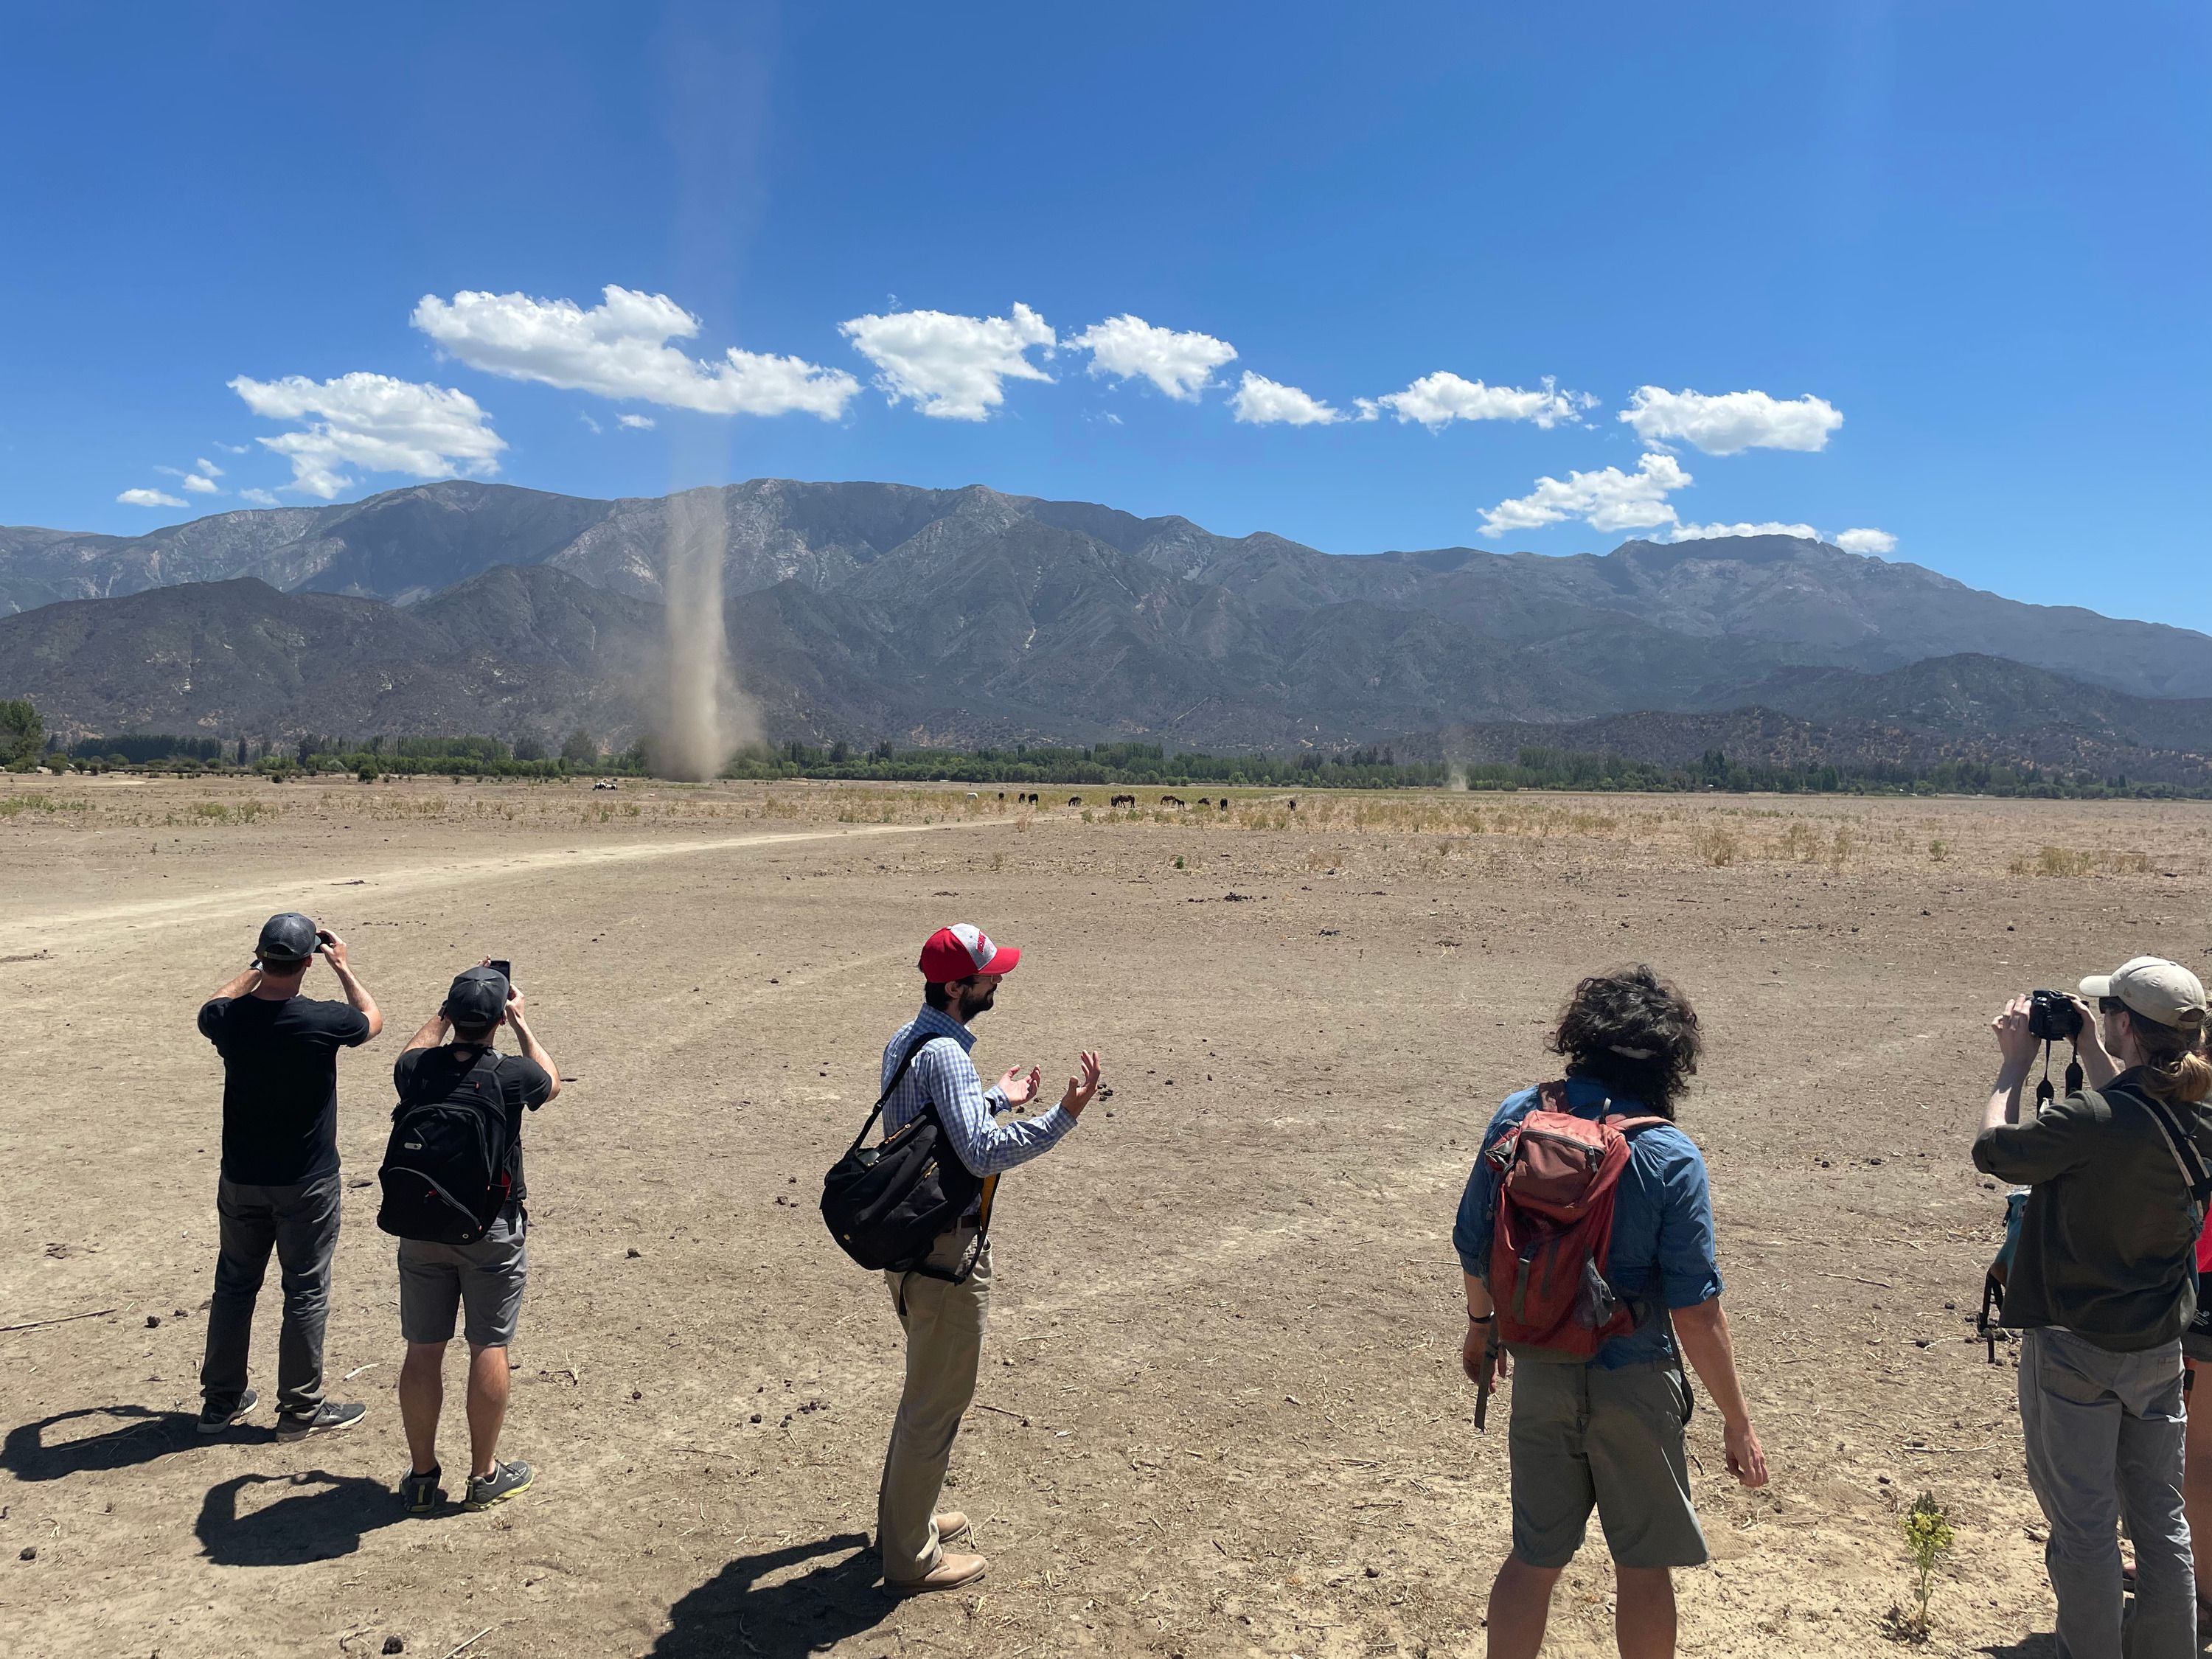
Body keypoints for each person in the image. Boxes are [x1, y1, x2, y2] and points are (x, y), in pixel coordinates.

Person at [1453, 966, 1769, 1659]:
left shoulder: (1519, 1116)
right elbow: (1694, 1311)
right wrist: (1738, 1421)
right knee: (1642, 1564)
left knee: (1533, 1559)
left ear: (1580, 1037)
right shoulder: (1669, 1153)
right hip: (1635, 1378)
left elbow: (1473, 1242)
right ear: (1670, 1059)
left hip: (1540, 1370)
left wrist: (1484, 1330)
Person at [1975, 958, 2212, 1659]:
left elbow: (1996, 1150)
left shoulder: (2091, 1119)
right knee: (2160, 1517)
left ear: (2126, 1025)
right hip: (2158, 1348)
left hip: (2075, 1346)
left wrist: (2013, 1068)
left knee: (2083, 1524)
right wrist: (2087, 1048)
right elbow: (2138, 1112)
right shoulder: (2196, 1120)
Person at [874, 924, 1102, 1594]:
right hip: (946, 1253)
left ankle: (902, 1524)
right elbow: (977, 1153)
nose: (998, 980)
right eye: (988, 974)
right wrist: (1062, 1115)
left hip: (913, 1247)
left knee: (925, 1395)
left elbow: (935, 1126)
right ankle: (910, 1557)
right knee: (936, 1404)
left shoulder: (908, 1039)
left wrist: (998, 1097)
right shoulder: (944, 1053)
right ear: (956, 987)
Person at [195, 911, 382, 1439]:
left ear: (262, 958)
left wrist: (254, 969)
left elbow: (214, 1002)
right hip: (307, 1180)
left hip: (242, 1177)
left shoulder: (229, 1020)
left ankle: (220, 1402)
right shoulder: (323, 1021)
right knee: (304, 1290)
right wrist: (342, 967)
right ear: (308, 962)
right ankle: (300, 1409)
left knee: (234, 1285)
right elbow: (371, 1017)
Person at [392, 963, 559, 1514]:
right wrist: (521, 1025)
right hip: (491, 1225)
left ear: (451, 1014)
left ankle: (421, 1477)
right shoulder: (510, 1075)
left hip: (421, 1225)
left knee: (424, 1347)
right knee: (488, 1343)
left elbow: (407, 1054)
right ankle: (484, 1475)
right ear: (495, 1019)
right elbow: (550, 1081)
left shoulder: (418, 1069)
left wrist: (441, 1017)